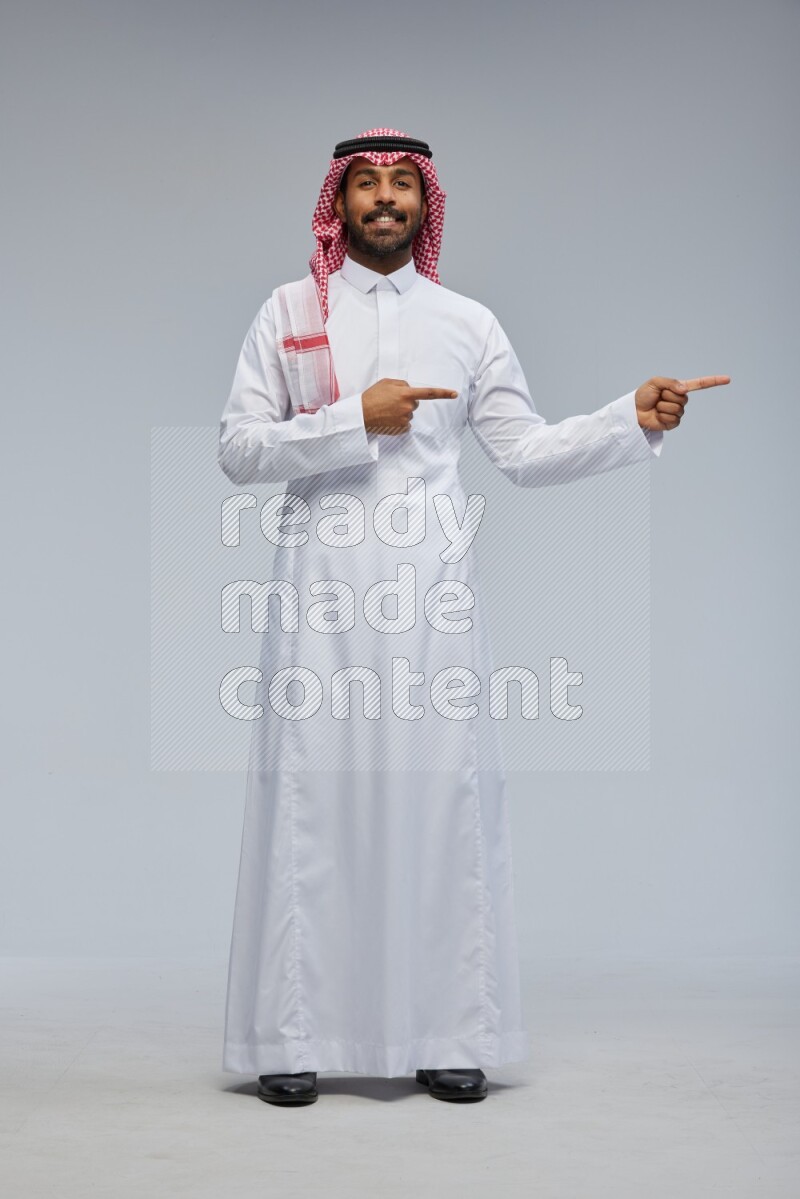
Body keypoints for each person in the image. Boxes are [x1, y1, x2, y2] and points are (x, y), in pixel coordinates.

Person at [217, 128, 730, 1106]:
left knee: (437, 807)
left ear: (424, 204)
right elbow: (239, 450)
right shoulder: (287, 313)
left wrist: (633, 416)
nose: (382, 199)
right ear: (337, 201)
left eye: (400, 185)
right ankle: (291, 1035)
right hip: (320, 595)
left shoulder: (467, 321)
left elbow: (525, 451)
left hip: (430, 598)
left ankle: (448, 1031)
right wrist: (344, 420)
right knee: (310, 807)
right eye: (363, 184)